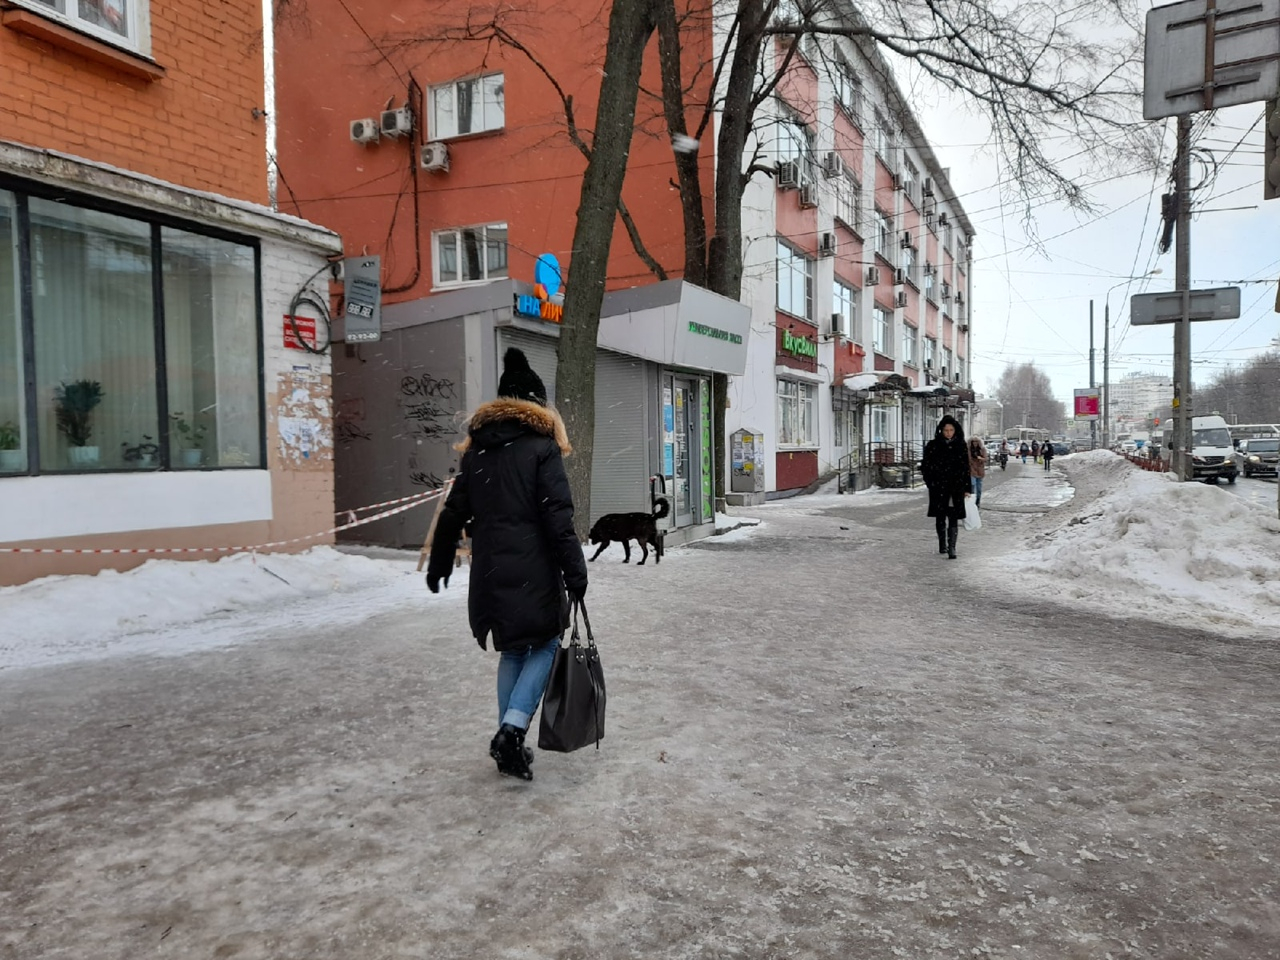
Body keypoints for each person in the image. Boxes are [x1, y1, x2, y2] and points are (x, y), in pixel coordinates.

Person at [427, 348, 588, 782]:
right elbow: (558, 518)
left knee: (514, 648)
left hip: (491, 573)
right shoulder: (542, 449)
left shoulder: (478, 452)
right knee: (547, 643)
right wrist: (576, 573)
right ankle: (512, 731)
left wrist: (440, 561)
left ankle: (507, 741)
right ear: (537, 405)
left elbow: (453, 512)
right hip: (534, 568)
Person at [921, 414, 973, 559]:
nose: (948, 433)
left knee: (953, 516)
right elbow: (925, 466)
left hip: (955, 487)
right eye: (946, 430)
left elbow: (965, 468)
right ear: (941, 430)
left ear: (955, 430)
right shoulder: (933, 445)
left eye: (951, 430)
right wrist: (930, 482)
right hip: (938, 487)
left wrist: (967, 488)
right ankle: (942, 544)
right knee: (940, 516)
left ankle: (952, 547)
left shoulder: (960, 445)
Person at [968, 435, 987, 507]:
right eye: (973, 442)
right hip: (972, 470)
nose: (975, 443)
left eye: (976, 441)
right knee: (972, 486)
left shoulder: (982, 449)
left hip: (980, 471)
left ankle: (977, 502)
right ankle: (972, 502)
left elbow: (985, 459)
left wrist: (981, 458)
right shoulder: (969, 450)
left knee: (979, 489)